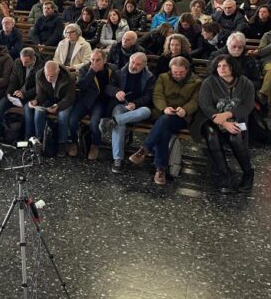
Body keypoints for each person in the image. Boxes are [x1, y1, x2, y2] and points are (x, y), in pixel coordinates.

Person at [129, 57, 201, 185]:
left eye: (181, 73)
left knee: (164, 123)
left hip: (181, 116)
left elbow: (195, 101)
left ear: (187, 70)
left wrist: (185, 110)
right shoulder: (163, 77)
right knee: (164, 128)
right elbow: (157, 95)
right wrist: (164, 108)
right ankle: (160, 169)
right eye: (175, 73)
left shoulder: (196, 82)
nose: (178, 75)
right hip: (163, 112)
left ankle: (145, 150)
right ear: (170, 70)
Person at [199, 54, 255, 193]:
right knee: (212, 136)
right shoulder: (209, 82)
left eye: (225, 65)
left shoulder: (245, 83)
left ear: (232, 67)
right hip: (212, 119)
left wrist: (228, 115)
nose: (221, 68)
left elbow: (247, 106)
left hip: (237, 118)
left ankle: (248, 173)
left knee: (235, 137)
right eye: (218, 66)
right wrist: (224, 122)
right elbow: (205, 105)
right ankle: (225, 175)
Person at [99, 52, 155, 174]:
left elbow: (148, 96)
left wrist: (136, 104)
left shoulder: (149, 77)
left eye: (138, 64)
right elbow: (108, 88)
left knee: (146, 111)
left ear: (144, 66)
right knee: (120, 123)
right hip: (121, 105)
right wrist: (116, 92)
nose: (133, 66)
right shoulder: (119, 73)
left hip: (137, 107)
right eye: (132, 62)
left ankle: (112, 121)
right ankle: (118, 159)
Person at [68, 49, 113, 159]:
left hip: (99, 101)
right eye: (92, 60)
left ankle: (95, 145)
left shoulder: (111, 70)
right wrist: (92, 72)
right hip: (85, 100)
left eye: (98, 60)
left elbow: (113, 87)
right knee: (72, 120)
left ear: (104, 60)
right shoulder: (85, 68)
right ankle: (73, 142)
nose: (94, 62)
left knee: (94, 123)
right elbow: (81, 86)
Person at [0, 47, 44, 142]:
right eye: (22, 61)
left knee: (28, 110)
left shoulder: (41, 67)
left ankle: (28, 138)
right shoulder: (18, 62)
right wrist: (9, 93)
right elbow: (13, 80)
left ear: (33, 58)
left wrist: (24, 94)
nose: (24, 64)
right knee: (0, 105)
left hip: (31, 95)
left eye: (26, 62)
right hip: (17, 94)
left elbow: (39, 87)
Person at [27, 60, 76, 152]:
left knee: (63, 116)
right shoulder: (39, 75)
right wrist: (36, 101)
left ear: (58, 72)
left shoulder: (69, 77)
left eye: (52, 76)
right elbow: (41, 94)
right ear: (44, 71)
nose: (49, 78)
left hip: (64, 101)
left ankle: (62, 143)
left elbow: (69, 98)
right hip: (49, 99)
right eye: (47, 75)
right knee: (38, 112)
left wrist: (58, 106)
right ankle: (40, 140)